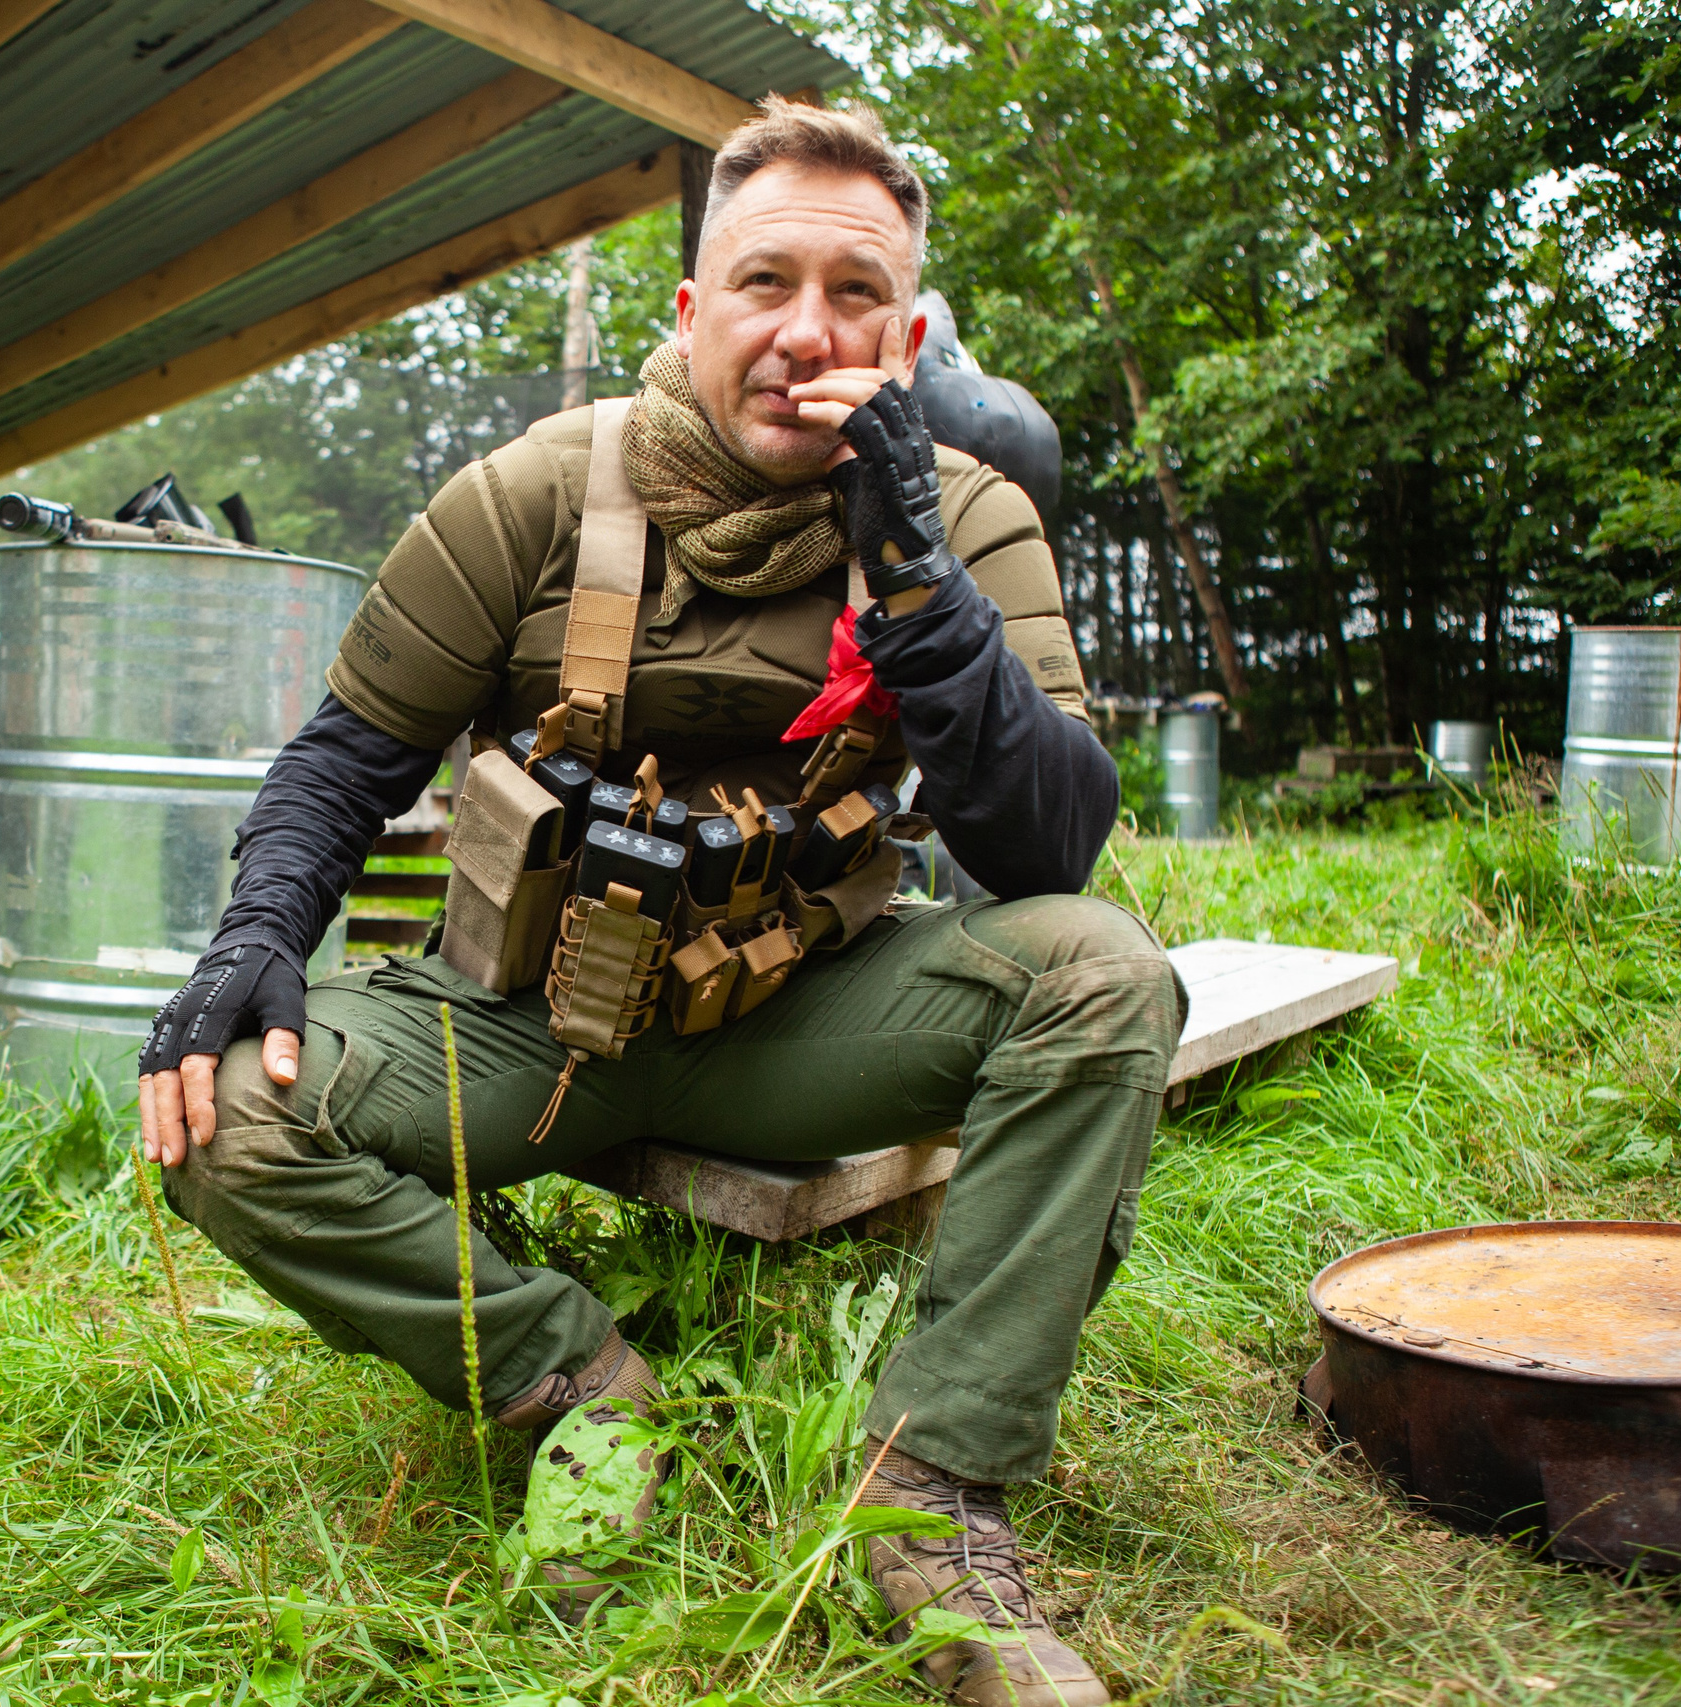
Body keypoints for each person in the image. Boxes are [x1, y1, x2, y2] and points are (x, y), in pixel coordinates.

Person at [137, 96, 1180, 1707]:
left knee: (1107, 975)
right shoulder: (534, 495)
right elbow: (346, 760)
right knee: (219, 1107)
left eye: (856, 295)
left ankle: (930, 1494)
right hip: (519, 1017)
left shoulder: (964, 511)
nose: (805, 333)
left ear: (906, 335)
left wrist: (912, 566)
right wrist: (254, 941)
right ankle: (583, 1386)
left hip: (804, 1020)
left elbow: (1053, 847)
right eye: (766, 285)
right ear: (692, 310)